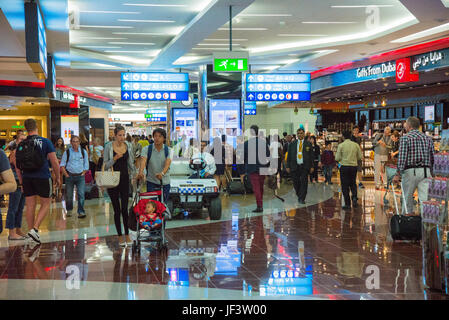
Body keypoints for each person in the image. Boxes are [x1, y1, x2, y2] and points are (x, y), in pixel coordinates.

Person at [16, 118, 60, 244]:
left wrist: (21, 182)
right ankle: (34, 229)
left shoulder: (21, 144)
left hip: (27, 178)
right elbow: (54, 162)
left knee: (30, 205)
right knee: (46, 203)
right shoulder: (45, 142)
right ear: (37, 127)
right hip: (43, 176)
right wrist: (58, 177)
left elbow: (17, 166)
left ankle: (31, 233)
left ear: (26, 129)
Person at [394, 117, 434, 215]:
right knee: (425, 200)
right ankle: (426, 224)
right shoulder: (428, 138)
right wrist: (432, 172)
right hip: (425, 171)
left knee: (407, 198)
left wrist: (398, 173)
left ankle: (408, 223)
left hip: (410, 172)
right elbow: (433, 157)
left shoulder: (405, 138)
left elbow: (402, 158)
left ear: (409, 126)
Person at [104, 125, 136, 246]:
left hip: (124, 179)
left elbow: (130, 163)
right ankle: (119, 236)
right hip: (112, 180)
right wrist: (115, 159)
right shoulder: (108, 146)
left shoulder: (128, 145)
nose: (122, 137)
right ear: (115, 135)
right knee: (116, 209)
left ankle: (127, 234)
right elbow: (105, 165)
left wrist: (135, 174)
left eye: (124, 135)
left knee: (124, 209)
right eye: (120, 135)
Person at [138, 128, 172, 202]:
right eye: (155, 136)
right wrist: (140, 172)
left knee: (163, 205)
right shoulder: (147, 149)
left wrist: (162, 173)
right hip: (151, 181)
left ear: (164, 138)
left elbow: (167, 163)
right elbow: (143, 161)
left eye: (160, 136)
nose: (157, 138)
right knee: (152, 205)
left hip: (165, 182)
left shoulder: (169, 150)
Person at [60, 135, 89, 218]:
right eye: (73, 141)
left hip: (80, 177)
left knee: (81, 194)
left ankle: (81, 211)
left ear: (79, 142)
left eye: (77, 141)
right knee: (69, 195)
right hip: (70, 176)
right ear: (71, 142)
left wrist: (83, 173)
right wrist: (66, 175)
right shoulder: (67, 152)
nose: (75, 143)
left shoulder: (83, 152)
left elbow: (86, 165)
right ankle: (69, 210)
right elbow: (62, 165)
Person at [244, 125, 270, 212]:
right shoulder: (263, 142)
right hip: (262, 168)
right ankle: (260, 203)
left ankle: (259, 206)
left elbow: (244, 157)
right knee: (261, 187)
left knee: (256, 188)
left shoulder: (247, 143)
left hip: (252, 169)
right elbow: (268, 156)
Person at [335, 130, 362, 210]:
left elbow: (337, 158)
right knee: (353, 183)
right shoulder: (356, 145)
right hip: (353, 167)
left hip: (344, 167)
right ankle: (354, 197)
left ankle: (347, 204)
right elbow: (360, 157)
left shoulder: (341, 145)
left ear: (343, 137)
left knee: (345, 185)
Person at [286, 128, 314, 204]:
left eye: (301, 133)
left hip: (305, 166)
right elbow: (289, 156)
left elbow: (311, 156)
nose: (300, 135)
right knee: (296, 182)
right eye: (298, 133)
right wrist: (287, 166)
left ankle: (302, 198)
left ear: (304, 134)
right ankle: (299, 195)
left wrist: (312, 166)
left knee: (304, 182)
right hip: (294, 166)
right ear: (297, 134)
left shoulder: (308, 144)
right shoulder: (292, 144)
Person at [5, 133, 24, 239]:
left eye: (24, 139)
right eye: (21, 139)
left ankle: (18, 229)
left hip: (23, 182)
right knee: (13, 207)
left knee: (20, 207)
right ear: (16, 141)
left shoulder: (23, 152)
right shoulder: (14, 152)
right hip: (16, 182)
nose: (23, 141)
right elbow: (18, 167)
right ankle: (11, 232)